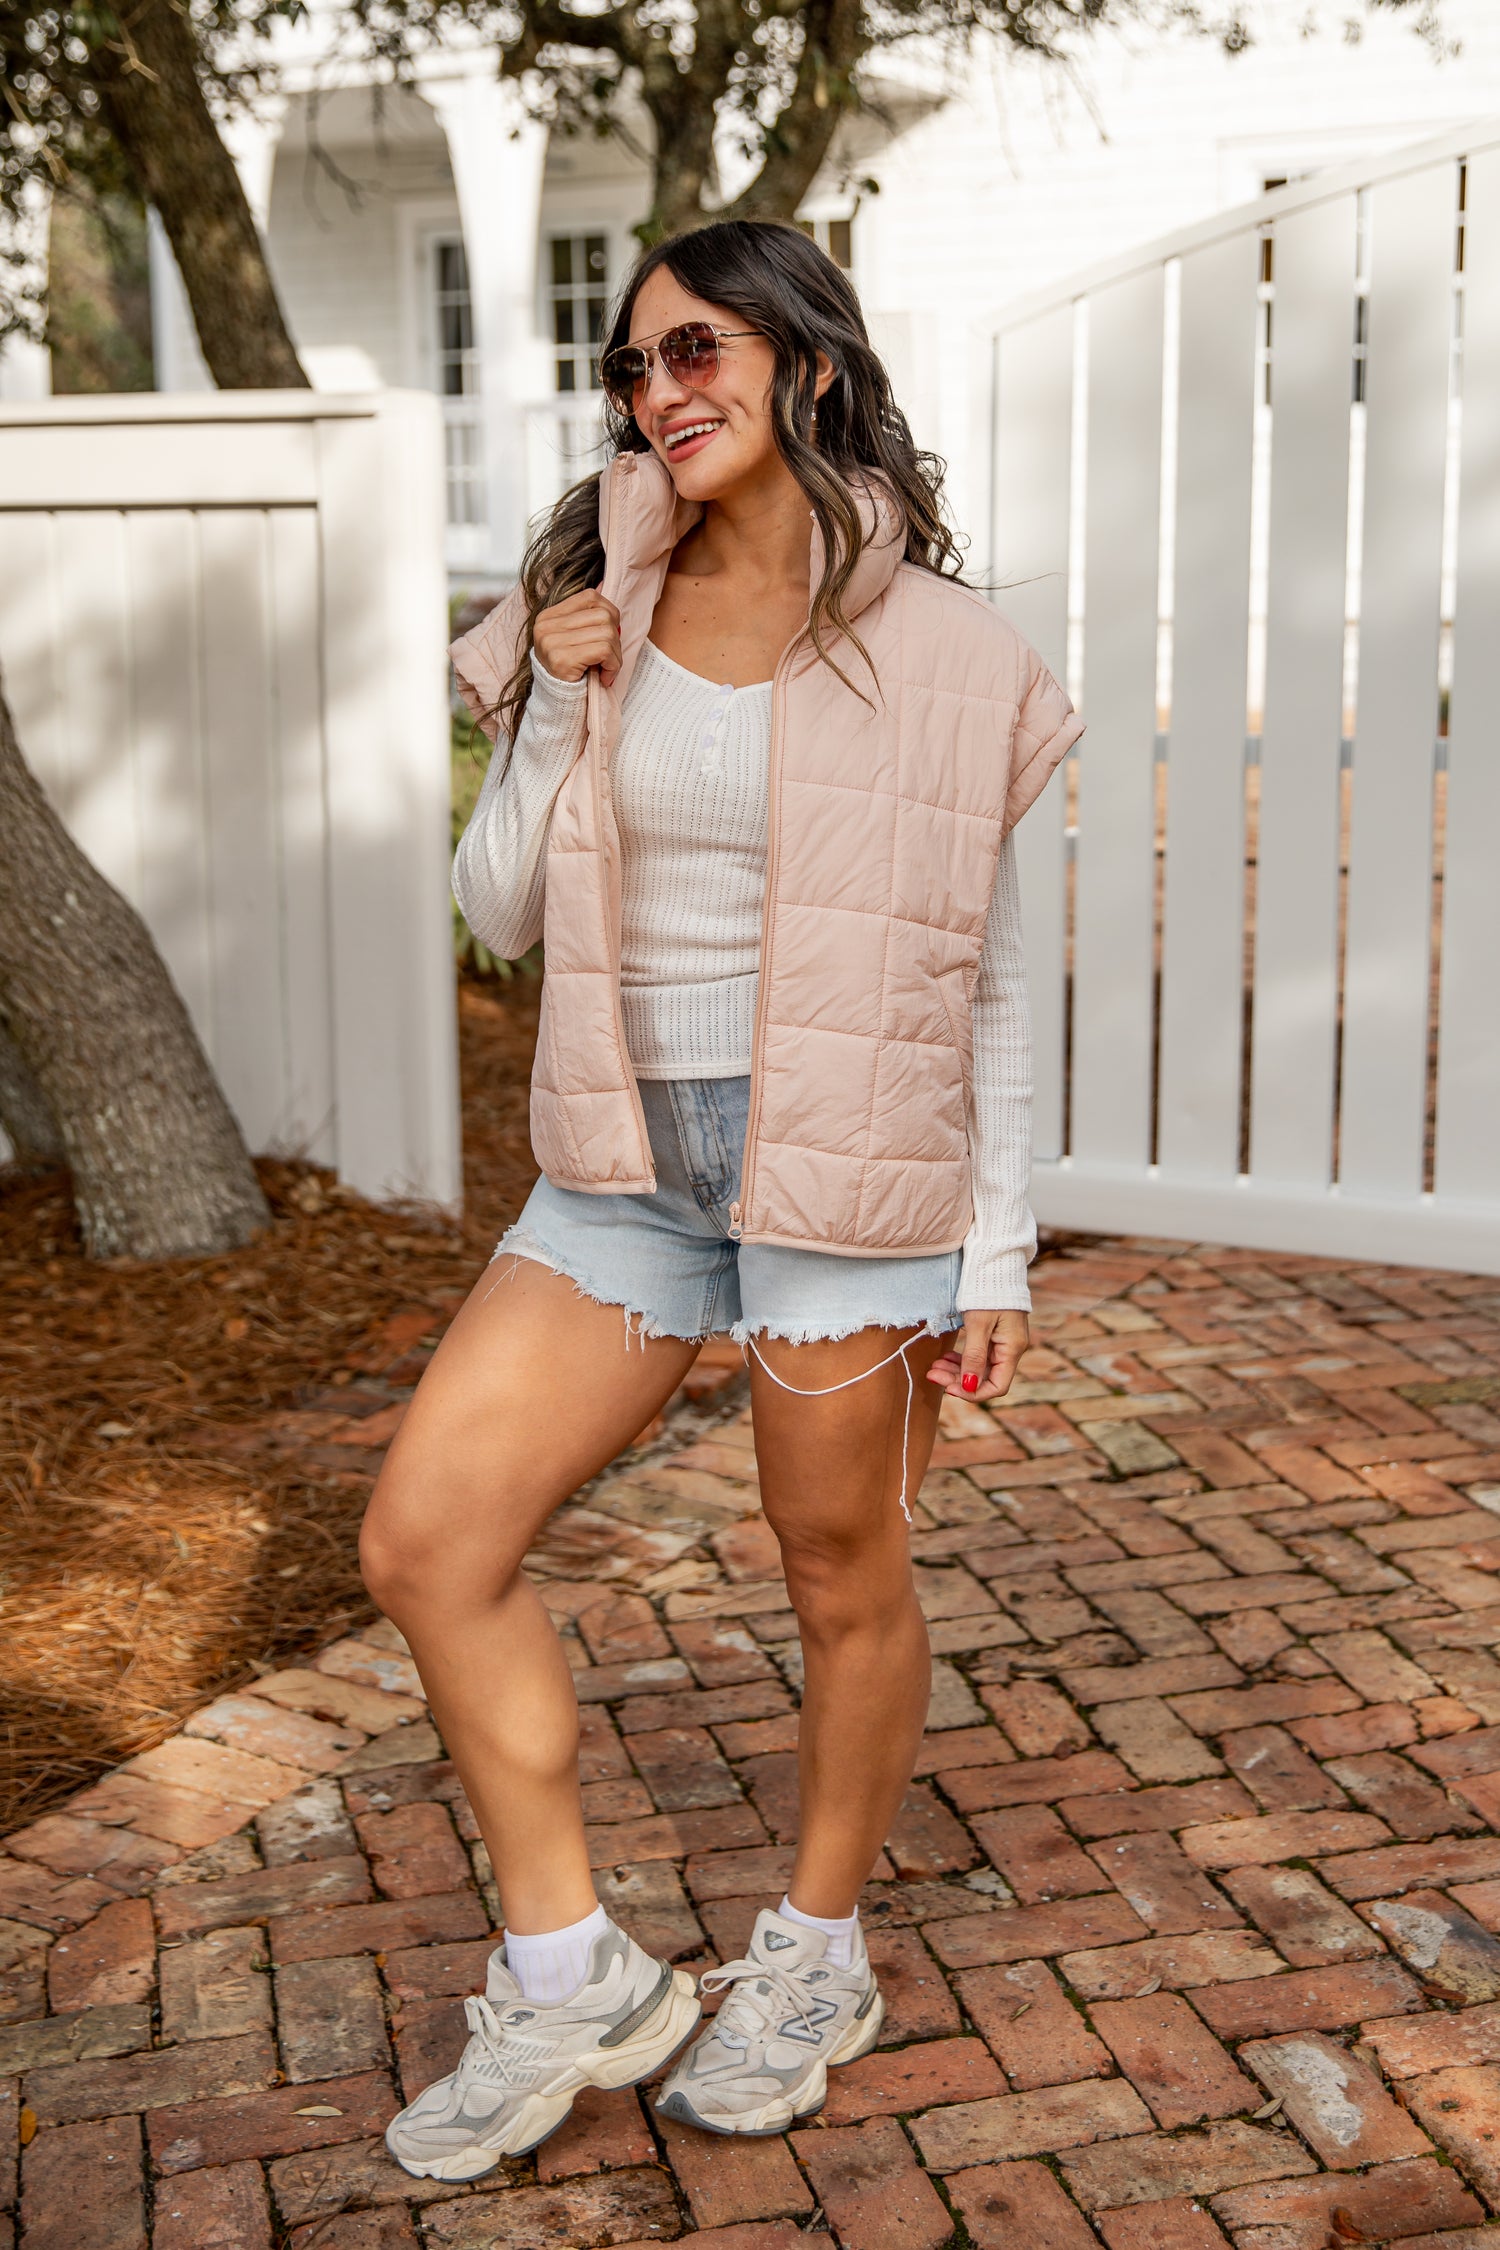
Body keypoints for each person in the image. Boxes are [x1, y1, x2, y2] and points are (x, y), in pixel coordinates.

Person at [360, 217, 1082, 2182]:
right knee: (429, 1539)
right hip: (625, 1156)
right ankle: (573, 1969)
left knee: (836, 1568)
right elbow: (493, 910)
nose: (658, 395)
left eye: (695, 355)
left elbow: (986, 967)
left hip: (843, 1164)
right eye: (632, 369)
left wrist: (993, 1240)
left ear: (806, 370)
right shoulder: (599, 596)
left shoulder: (947, 651)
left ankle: (818, 1951)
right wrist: (545, 708)